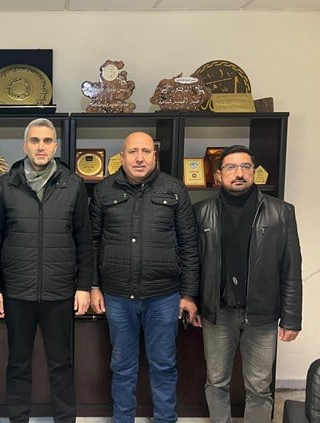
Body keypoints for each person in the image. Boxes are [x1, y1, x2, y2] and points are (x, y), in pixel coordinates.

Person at [89, 131, 199, 423]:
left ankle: (165, 419)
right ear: (122, 156)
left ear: (154, 155)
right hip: (117, 296)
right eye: (133, 151)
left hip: (164, 296)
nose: (139, 158)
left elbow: (189, 245)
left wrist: (188, 294)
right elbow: (93, 243)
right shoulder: (103, 190)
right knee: (122, 366)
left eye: (146, 152)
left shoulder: (174, 189)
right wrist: (94, 286)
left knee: (164, 365)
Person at [0, 118, 93, 423]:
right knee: (18, 363)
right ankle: (18, 418)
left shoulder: (73, 184)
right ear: (25, 145)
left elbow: (84, 240)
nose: (41, 146)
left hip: (59, 291)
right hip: (17, 291)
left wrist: (83, 286)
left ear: (55, 146)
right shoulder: (5, 185)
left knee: (61, 363)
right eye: (35, 140)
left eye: (47, 141)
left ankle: (65, 418)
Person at [193, 145, 302, 423]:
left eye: (245, 167)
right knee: (216, 381)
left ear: (255, 172)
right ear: (219, 175)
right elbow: (193, 264)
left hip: (262, 315)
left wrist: (292, 318)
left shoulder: (281, 212)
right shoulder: (201, 212)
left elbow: (291, 268)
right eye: (231, 167)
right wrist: (194, 302)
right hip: (218, 313)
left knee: (259, 388)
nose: (239, 173)